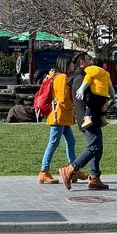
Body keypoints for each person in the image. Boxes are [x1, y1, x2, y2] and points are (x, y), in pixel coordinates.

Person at [59, 52, 109, 191]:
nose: (91, 61)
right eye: (88, 59)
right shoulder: (80, 77)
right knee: (95, 146)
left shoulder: (80, 76)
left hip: (90, 116)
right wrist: (103, 102)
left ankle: (94, 177)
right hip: (87, 117)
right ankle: (71, 168)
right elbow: (87, 98)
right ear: (82, 61)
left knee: (97, 146)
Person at [38, 55, 87, 185]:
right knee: (53, 143)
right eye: (71, 63)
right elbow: (63, 99)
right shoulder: (62, 78)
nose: (73, 65)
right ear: (66, 64)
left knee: (71, 141)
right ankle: (44, 171)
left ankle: (73, 169)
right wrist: (76, 106)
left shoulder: (58, 76)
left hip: (62, 117)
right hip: (58, 116)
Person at [75, 57, 116, 130]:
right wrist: (113, 97)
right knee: (102, 106)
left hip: (94, 95)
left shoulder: (90, 72)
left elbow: (86, 82)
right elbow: (110, 88)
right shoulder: (106, 74)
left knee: (89, 106)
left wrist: (81, 89)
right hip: (103, 96)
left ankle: (87, 118)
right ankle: (103, 117)